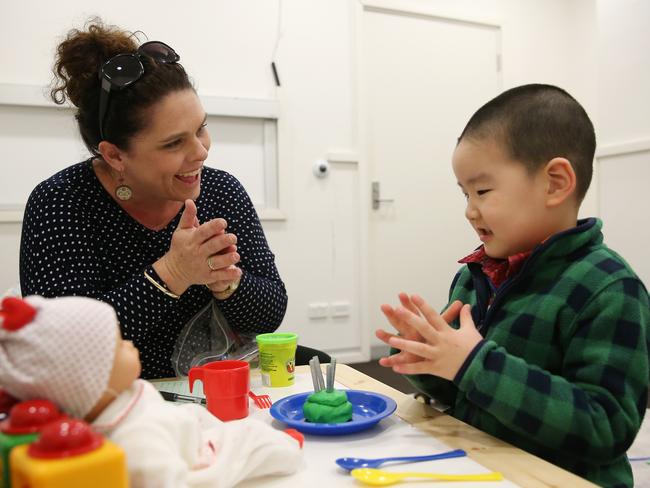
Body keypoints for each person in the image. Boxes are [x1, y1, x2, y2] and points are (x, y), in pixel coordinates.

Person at [19, 19, 328, 378]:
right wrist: (173, 273)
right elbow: (67, 348)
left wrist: (227, 282)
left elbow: (269, 315)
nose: (200, 152)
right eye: (173, 143)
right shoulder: (61, 203)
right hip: (118, 399)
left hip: (217, 388)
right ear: (115, 155)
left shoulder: (221, 192)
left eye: (201, 129)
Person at [375, 84, 649, 488]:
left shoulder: (609, 291)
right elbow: (462, 392)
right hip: (481, 468)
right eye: (464, 193)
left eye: (482, 191)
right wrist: (429, 357)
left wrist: (473, 363)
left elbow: (605, 428)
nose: (469, 210)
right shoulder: (475, 275)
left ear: (556, 183)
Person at [0, 295, 303, 487]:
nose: (130, 344)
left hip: (181, 427)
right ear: (92, 382)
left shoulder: (117, 400)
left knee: (201, 415)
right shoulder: (136, 439)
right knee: (247, 439)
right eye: (118, 345)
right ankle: (285, 447)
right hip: (194, 451)